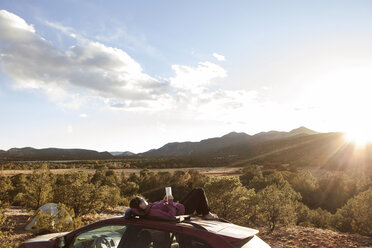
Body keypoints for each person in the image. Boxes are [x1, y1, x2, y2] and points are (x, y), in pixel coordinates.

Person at [128, 188, 218, 220]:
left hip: (178, 207)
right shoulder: (152, 211)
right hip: (182, 211)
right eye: (143, 200)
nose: (145, 200)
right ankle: (206, 214)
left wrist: (164, 201)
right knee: (199, 191)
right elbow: (171, 216)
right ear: (140, 205)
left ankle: (202, 212)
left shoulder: (149, 209)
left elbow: (162, 207)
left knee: (195, 190)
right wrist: (170, 202)